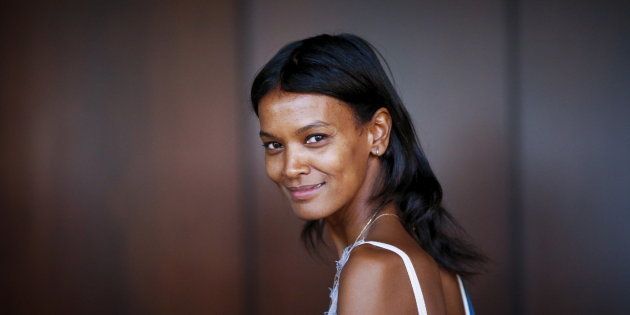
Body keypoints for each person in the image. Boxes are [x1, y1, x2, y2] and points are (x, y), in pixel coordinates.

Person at [250, 33, 485, 315]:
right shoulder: (423, 256)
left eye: (315, 138)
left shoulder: (376, 266)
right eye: (274, 145)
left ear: (377, 132)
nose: (290, 168)